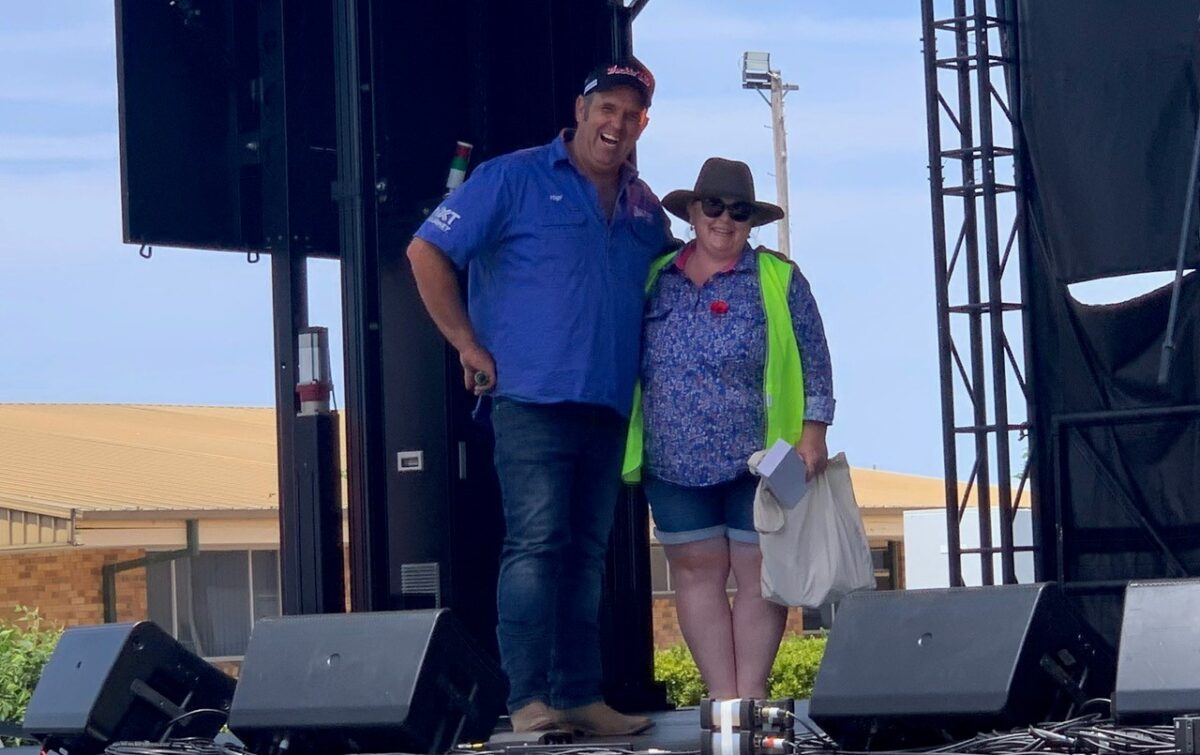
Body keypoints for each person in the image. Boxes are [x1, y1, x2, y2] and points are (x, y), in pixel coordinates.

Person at [405, 61, 672, 735]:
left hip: (607, 405)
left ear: (643, 126)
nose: (616, 124)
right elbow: (425, 251)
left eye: (631, 115)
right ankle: (527, 699)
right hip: (529, 397)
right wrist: (466, 343)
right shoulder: (511, 177)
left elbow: (674, 279)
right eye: (606, 108)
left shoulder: (645, 208)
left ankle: (579, 694)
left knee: (586, 555)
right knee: (538, 543)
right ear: (580, 112)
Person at [622, 157, 835, 699]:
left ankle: (752, 697)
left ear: (751, 222)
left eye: (739, 212)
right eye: (713, 207)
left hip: (765, 458)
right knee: (695, 575)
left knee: (761, 575)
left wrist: (814, 433)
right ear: (693, 212)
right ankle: (723, 702)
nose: (724, 220)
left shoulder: (780, 277)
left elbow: (815, 359)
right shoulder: (654, 277)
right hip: (671, 461)